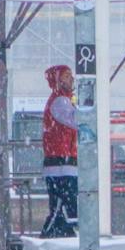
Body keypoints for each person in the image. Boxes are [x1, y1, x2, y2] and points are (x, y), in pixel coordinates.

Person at [40, 65, 79, 238]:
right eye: (67, 76)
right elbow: (77, 120)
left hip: (62, 161)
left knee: (63, 205)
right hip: (61, 163)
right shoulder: (60, 102)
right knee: (61, 205)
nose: (71, 79)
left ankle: (63, 232)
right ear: (58, 80)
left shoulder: (64, 100)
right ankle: (52, 234)